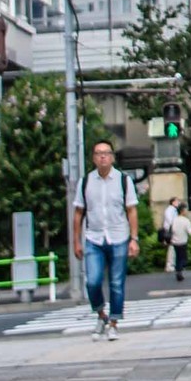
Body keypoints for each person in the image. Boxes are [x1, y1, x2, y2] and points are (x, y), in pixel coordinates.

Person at [69, 140, 138, 343]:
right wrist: (76, 241)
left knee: (117, 283)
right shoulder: (86, 182)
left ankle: (114, 323)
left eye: (106, 153)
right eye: (98, 153)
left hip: (119, 236)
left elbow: (131, 211)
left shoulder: (124, 180)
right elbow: (78, 213)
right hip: (94, 238)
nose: (102, 157)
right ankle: (101, 315)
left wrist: (134, 239)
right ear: (93, 158)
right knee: (93, 281)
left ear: (112, 157)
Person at [167, 197, 191, 281]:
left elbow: (171, 230)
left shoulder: (174, 220)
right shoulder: (185, 220)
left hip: (175, 241)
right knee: (183, 257)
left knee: (178, 257)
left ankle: (178, 271)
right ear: (183, 211)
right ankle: (180, 271)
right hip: (183, 241)